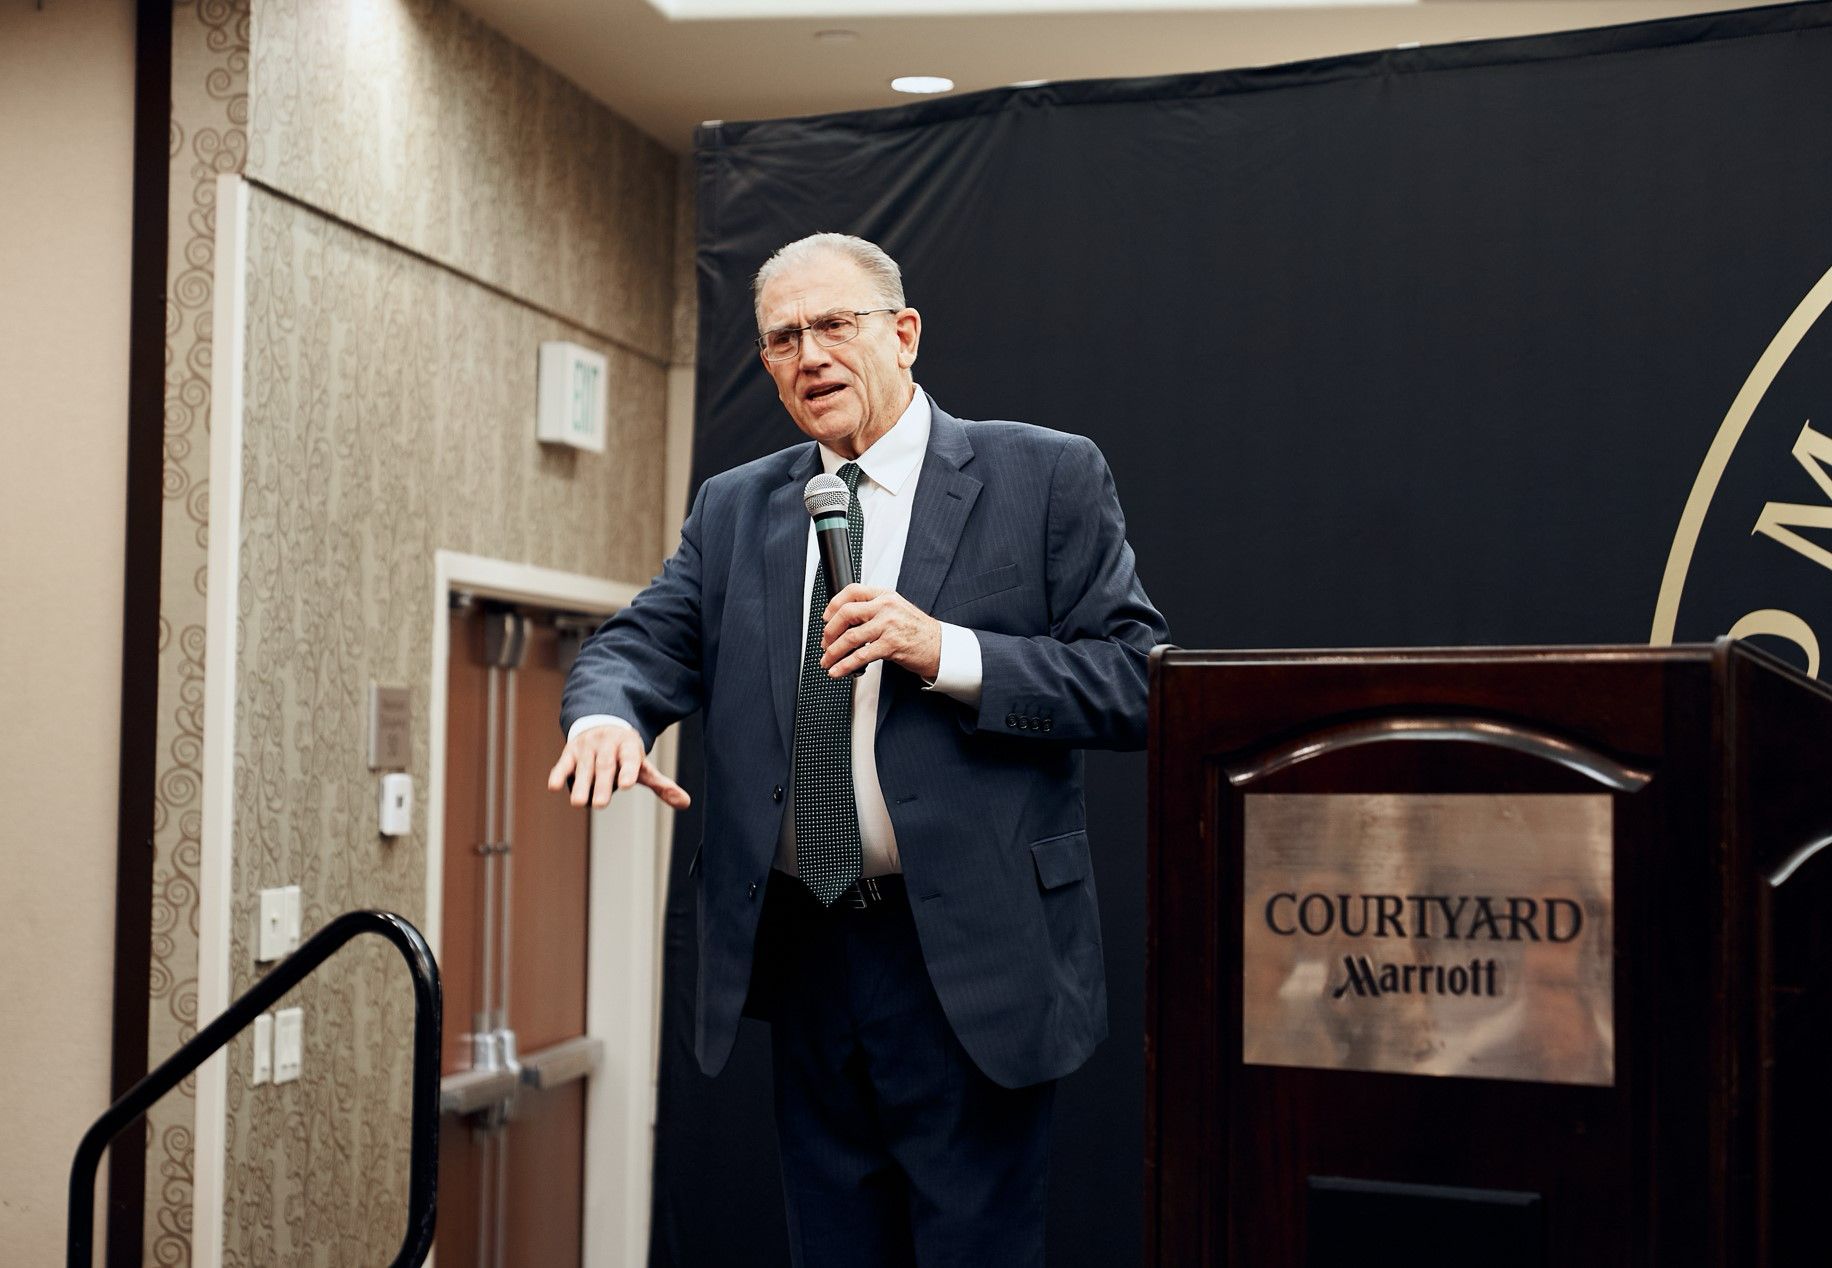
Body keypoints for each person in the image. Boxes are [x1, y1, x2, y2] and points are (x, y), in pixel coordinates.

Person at [547, 232, 1166, 1267]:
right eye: (783, 338)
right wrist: (609, 715)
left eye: (833, 324)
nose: (808, 354)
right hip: (807, 950)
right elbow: (638, 643)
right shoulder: (737, 504)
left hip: (971, 957)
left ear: (903, 333)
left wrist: (948, 650)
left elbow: (1138, 678)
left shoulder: (1043, 473)